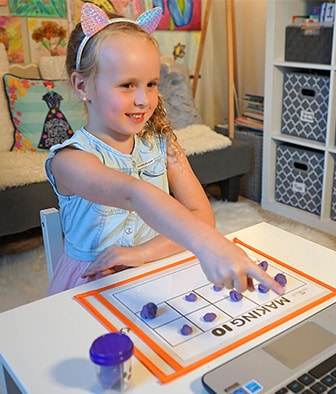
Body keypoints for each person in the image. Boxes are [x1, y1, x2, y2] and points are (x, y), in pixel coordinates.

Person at [45, 3, 283, 297]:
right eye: (127, 85)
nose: (144, 99)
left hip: (152, 272)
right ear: (82, 86)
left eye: (151, 84)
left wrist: (142, 252)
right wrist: (209, 243)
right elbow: (133, 193)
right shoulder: (69, 161)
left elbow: (202, 214)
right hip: (91, 284)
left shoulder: (163, 143)